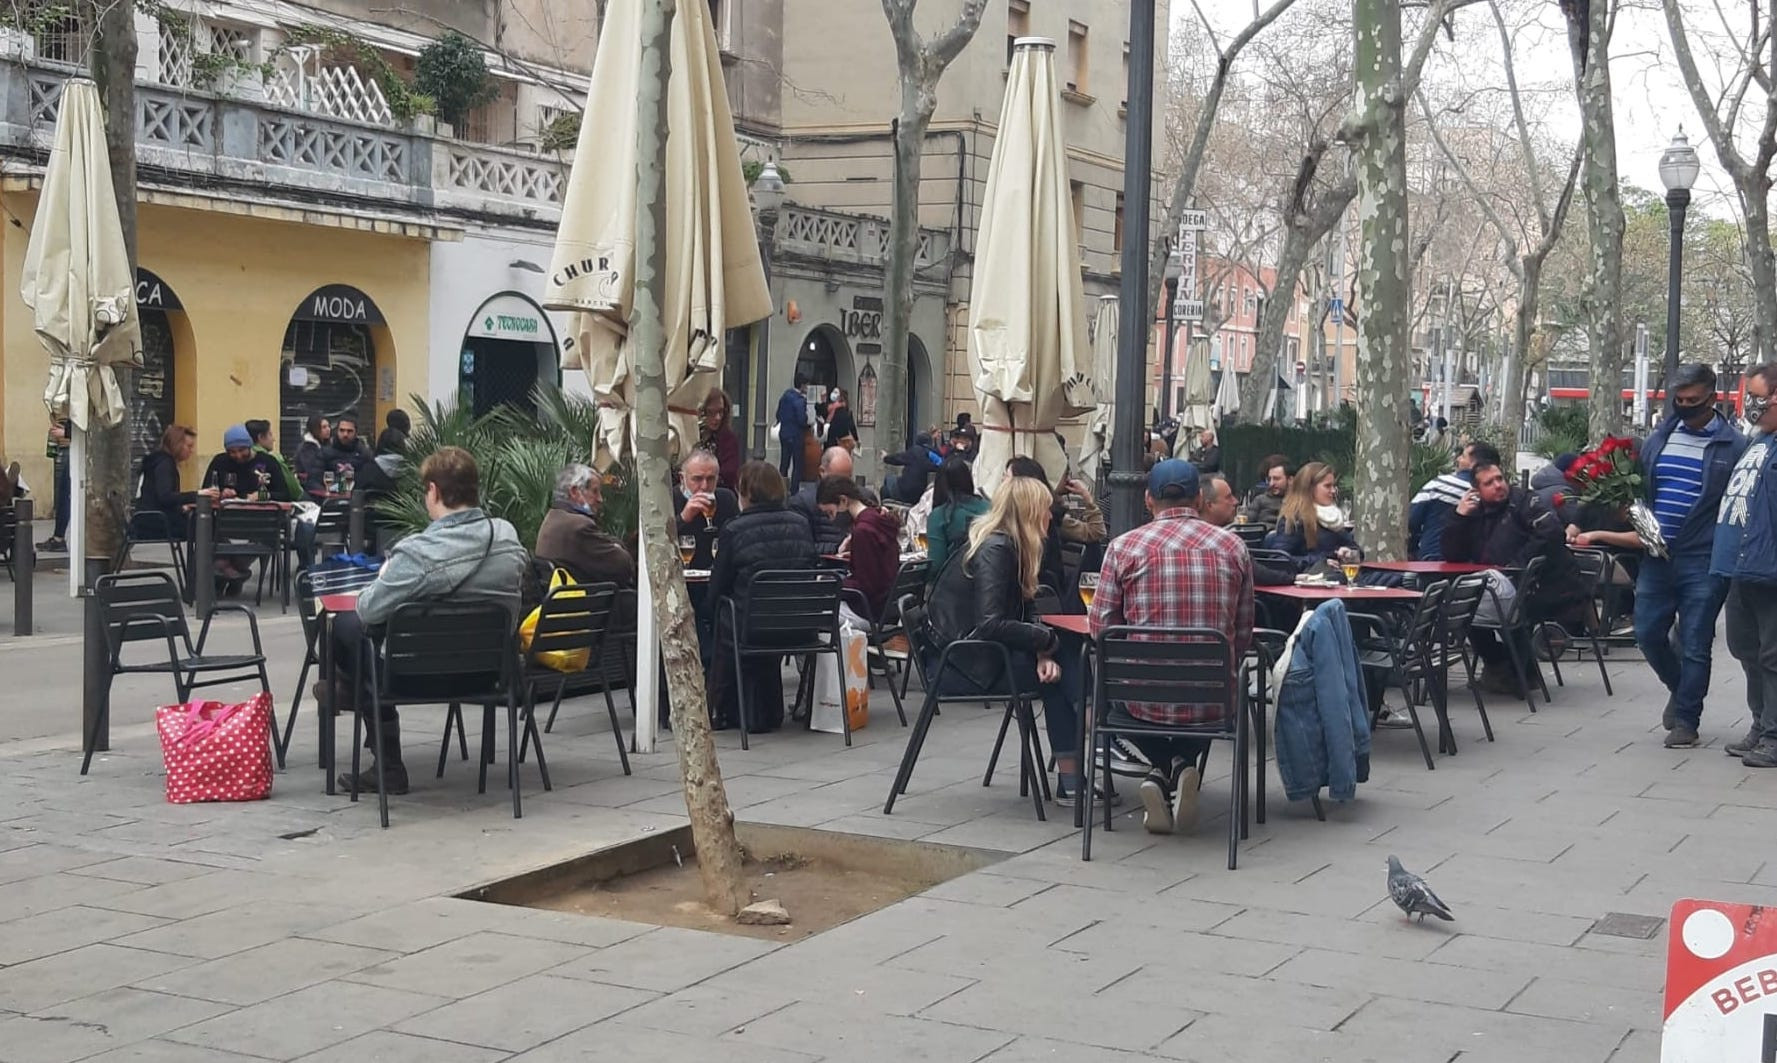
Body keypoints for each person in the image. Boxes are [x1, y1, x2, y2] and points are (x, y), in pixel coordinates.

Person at [327, 446, 529, 795]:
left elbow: (368, 610)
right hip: (489, 674)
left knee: (344, 626)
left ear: (433, 490)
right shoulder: (506, 537)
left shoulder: (418, 552)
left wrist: (388, 575)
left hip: (411, 679)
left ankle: (381, 750)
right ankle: (353, 691)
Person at [1091, 459, 1253, 834]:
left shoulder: (1122, 548)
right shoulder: (1234, 546)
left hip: (1141, 698)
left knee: (1107, 686)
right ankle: (1178, 765)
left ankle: (1163, 767)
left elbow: (1101, 629)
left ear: (1148, 499)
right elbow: (1243, 631)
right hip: (1213, 698)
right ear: (1199, 498)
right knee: (1196, 691)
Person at [926, 475, 1086, 801]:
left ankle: (1085, 752)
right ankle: (1092, 747)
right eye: (1045, 508)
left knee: (1062, 657)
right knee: (1064, 664)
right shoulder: (996, 550)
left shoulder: (1008, 545)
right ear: (1029, 512)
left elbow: (1020, 614)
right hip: (962, 664)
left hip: (975, 655)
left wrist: (1042, 652)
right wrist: (1045, 643)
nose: (1051, 516)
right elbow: (990, 624)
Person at [1634, 364, 1748, 748]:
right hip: (1656, 555)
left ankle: (1686, 719)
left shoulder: (1734, 446)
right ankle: (1680, 687)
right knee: (1647, 633)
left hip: (1703, 558)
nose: (1684, 407)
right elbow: (1642, 488)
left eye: (1693, 401)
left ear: (1712, 398)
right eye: (1678, 401)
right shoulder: (1659, 438)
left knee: (1697, 641)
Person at [1441, 460, 1589, 694]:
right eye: (1489, 483)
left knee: (1484, 608)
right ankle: (1505, 668)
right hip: (1500, 585)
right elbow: (1452, 554)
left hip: (1547, 586)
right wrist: (1460, 516)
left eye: (1500, 478)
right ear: (1476, 491)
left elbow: (1551, 533)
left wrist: (1515, 566)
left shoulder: (1525, 502)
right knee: (1464, 607)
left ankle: (1516, 672)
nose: (1498, 485)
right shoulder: (1474, 513)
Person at [706, 460, 818, 731]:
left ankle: (719, 706)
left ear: (745, 492)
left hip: (751, 627)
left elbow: (718, 586)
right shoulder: (802, 524)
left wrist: (706, 611)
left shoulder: (735, 529)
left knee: (719, 614)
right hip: (799, 628)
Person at [1714, 364, 1777, 765]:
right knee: (1745, 649)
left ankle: (1774, 735)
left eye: (1757, 397)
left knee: (1772, 655)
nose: (1750, 406)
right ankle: (1761, 723)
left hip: (1769, 570)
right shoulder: (1758, 441)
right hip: (1741, 566)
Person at [1006, 456, 1108, 606]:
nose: (1003, 483)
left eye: (1007, 478)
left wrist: (1087, 498)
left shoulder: (1050, 519)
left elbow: (1096, 532)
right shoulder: (1005, 523)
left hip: (1041, 599)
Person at [536, 464, 636, 589]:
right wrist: (618, 547)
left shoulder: (553, 517)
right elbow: (623, 566)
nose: (600, 499)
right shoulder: (578, 526)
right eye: (595, 491)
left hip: (563, 597)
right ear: (574, 492)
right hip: (587, 601)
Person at [819, 476, 899, 624]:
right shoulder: (878, 520)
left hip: (868, 611)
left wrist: (831, 583)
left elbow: (865, 585)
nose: (831, 519)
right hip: (885, 607)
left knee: (816, 611)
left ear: (843, 501)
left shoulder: (863, 530)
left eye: (830, 512)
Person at [1408, 441, 1500, 560]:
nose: (1458, 459)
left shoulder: (1439, 485)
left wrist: (1413, 549)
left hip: (1432, 562)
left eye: (1463, 456)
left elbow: (1411, 520)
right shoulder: (1496, 496)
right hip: (1477, 569)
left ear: (1475, 463)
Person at [1267, 462, 1361, 571]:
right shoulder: (1294, 519)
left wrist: (1349, 552)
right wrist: (1318, 562)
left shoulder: (1332, 518)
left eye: (1333, 486)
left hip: (1342, 577)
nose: (1333, 491)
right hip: (1316, 581)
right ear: (1309, 488)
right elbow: (1278, 559)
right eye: (1327, 486)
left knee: (1384, 577)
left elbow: (1356, 549)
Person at [1202, 473, 1292, 586]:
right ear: (1209, 505)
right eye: (1228, 497)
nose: (1235, 501)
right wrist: (1293, 578)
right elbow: (1258, 574)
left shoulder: (1177, 536)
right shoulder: (1228, 543)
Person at [674, 449, 739, 570]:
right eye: (697, 479)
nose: (704, 486)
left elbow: (737, 540)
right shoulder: (670, 499)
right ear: (682, 478)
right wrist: (683, 518)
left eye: (710, 479)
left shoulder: (726, 499)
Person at [925, 456, 989, 580]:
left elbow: (936, 564)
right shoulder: (990, 508)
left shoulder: (940, 516)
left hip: (954, 587)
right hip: (991, 580)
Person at [133, 424, 202, 539]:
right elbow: (165, 496)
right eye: (189, 446)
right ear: (177, 445)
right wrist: (197, 495)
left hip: (148, 519)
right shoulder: (165, 464)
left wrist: (181, 507)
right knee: (206, 529)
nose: (192, 451)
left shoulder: (158, 461)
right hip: (156, 524)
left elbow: (157, 497)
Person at [790, 446, 859, 553]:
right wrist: (837, 549)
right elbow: (802, 547)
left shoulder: (860, 498)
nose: (843, 486)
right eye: (837, 479)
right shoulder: (802, 502)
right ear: (822, 471)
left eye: (848, 479)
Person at [201, 424, 293, 502]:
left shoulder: (268, 461)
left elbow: (285, 495)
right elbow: (206, 491)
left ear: (250, 446)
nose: (238, 455)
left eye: (242, 450)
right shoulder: (220, 462)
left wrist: (263, 496)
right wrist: (221, 493)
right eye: (232, 452)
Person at [245, 419, 303, 501]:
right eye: (270, 434)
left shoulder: (240, 458)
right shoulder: (274, 459)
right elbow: (294, 491)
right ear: (260, 437)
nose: (273, 439)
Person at [697, 387, 742, 491]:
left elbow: (730, 473)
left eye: (721, 412)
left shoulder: (728, 439)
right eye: (711, 412)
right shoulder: (691, 435)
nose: (717, 417)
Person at [37, 417, 70, 553]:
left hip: (84, 453)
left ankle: (59, 538)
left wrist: (67, 433)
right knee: (64, 493)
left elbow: (91, 423)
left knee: (66, 494)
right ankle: (58, 538)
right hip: (77, 450)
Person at [883, 433, 940, 504]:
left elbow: (898, 458)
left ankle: (885, 509)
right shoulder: (935, 454)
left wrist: (885, 457)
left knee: (888, 480)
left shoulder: (916, 451)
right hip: (921, 494)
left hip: (905, 491)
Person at [775, 371, 811, 485]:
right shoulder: (799, 400)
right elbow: (802, 419)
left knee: (784, 463)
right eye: (807, 385)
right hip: (796, 435)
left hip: (784, 433)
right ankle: (794, 490)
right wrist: (808, 423)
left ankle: (781, 487)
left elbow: (778, 415)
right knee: (797, 464)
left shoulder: (785, 396)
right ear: (802, 385)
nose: (808, 388)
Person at [1243, 455, 1290, 529]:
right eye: (1269, 479)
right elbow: (1245, 524)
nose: (1271, 483)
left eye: (1276, 479)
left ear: (1290, 479)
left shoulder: (1299, 501)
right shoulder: (1260, 500)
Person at [323, 416, 372, 482]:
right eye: (342, 430)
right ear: (337, 431)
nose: (345, 434)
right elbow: (316, 479)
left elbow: (368, 480)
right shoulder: (324, 453)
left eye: (350, 431)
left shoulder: (365, 454)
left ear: (356, 433)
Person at [295, 415, 331, 495]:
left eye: (328, 426)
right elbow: (313, 472)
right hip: (311, 489)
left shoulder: (325, 445)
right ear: (315, 429)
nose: (328, 429)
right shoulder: (306, 448)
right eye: (324, 427)